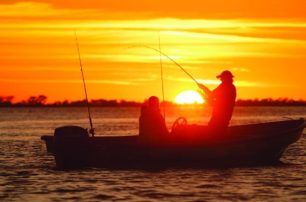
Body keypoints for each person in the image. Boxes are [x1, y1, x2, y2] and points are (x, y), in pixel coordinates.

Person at [198, 70, 236, 134]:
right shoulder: (230, 87)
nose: (221, 79)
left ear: (226, 78)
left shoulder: (224, 87)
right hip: (223, 115)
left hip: (220, 116)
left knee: (214, 130)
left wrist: (204, 88)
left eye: (222, 78)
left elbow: (211, 95)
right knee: (219, 130)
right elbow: (214, 99)